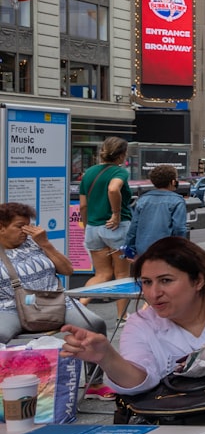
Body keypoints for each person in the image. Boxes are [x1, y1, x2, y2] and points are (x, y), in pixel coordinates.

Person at [62, 237, 205, 398]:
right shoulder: (140, 324)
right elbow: (139, 380)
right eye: (146, 282)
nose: (154, 293)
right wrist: (107, 357)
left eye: (166, 280)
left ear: (198, 281)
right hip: (177, 432)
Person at [0, 203, 105, 344]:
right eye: (20, 226)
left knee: (94, 325)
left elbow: (68, 270)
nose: (26, 231)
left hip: (57, 302)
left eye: (28, 225)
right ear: (2, 227)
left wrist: (45, 243)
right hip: (12, 308)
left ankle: (98, 366)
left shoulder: (35, 242)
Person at [78, 137, 133, 316]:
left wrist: (87, 224)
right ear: (122, 154)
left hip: (93, 228)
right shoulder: (120, 172)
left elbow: (83, 205)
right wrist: (116, 213)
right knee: (122, 275)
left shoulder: (89, 173)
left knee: (102, 274)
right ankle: (122, 316)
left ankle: (79, 307)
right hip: (116, 227)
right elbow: (113, 189)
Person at [125, 164, 187, 258]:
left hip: (143, 250)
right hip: (166, 251)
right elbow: (179, 228)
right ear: (173, 182)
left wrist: (130, 249)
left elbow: (133, 227)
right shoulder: (177, 201)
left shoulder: (142, 200)